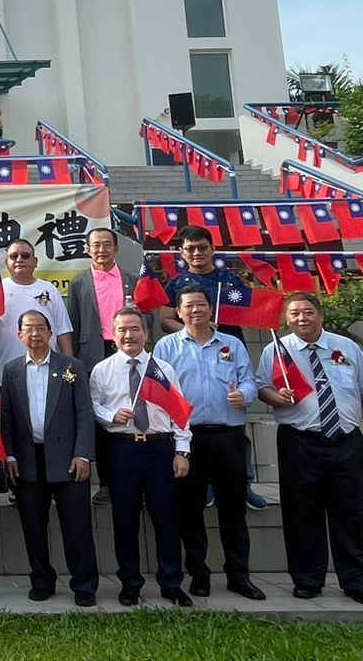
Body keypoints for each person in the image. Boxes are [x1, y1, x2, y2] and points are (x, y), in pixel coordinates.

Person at [153, 287, 264, 600]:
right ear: (178, 312)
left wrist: (245, 394)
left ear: (210, 309)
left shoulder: (232, 344)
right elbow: (160, 390)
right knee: (189, 510)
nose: (195, 310)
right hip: (189, 438)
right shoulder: (166, 346)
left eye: (201, 304)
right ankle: (198, 574)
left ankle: (239, 576)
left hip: (229, 436)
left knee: (233, 509)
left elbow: (249, 380)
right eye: (188, 305)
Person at [256, 292, 363, 601]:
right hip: (299, 441)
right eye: (295, 313)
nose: (302, 318)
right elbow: (262, 388)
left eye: (308, 312)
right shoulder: (276, 350)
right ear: (286, 319)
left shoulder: (347, 348)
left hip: (346, 440)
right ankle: (307, 580)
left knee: (352, 512)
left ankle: (355, 580)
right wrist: (276, 397)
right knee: (302, 513)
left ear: (320, 315)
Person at [90, 307, 193, 607]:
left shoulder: (163, 369)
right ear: (113, 335)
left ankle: (171, 583)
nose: (129, 335)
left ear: (146, 333)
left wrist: (182, 451)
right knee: (125, 519)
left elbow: (180, 413)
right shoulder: (102, 370)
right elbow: (93, 406)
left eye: (135, 329)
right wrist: (111, 415)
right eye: (122, 329)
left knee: (166, 518)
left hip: (160, 449)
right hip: (122, 450)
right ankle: (130, 584)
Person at [158, 225, 266, 511]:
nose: (197, 253)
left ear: (212, 249)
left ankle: (244, 483)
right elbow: (165, 319)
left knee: (234, 423)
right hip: (191, 353)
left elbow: (249, 310)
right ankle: (204, 484)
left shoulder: (230, 279)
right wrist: (195, 328)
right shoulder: (176, 283)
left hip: (227, 354)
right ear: (181, 253)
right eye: (190, 249)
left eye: (202, 248)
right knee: (193, 430)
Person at [0, 310, 99, 606]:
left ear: (50, 332)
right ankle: (42, 580)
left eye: (40, 328)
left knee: (77, 526)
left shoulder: (71, 367)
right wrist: (10, 456)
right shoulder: (12, 370)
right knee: (33, 526)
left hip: (68, 459)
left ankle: (84, 585)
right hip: (28, 460)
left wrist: (83, 454)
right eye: (28, 329)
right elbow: (8, 419)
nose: (35, 334)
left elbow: (85, 414)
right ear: (19, 335)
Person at [65, 228, 138, 504]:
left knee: (131, 411)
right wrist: (74, 362)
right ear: (87, 249)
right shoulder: (78, 283)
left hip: (126, 352)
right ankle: (106, 483)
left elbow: (148, 320)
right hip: (93, 355)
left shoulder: (132, 281)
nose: (101, 250)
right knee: (100, 418)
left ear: (116, 249)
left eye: (107, 244)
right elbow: (72, 325)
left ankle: (135, 480)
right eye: (96, 245)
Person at [0, 238, 74, 376]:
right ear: (6, 262)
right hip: (10, 369)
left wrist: (69, 364)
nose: (19, 259)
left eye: (25, 256)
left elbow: (62, 329)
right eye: (13, 256)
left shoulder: (49, 289)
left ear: (35, 262)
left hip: (48, 368)